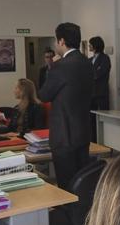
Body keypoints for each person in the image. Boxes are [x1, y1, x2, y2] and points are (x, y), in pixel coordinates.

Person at [38, 22, 92, 190]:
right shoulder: (87, 62)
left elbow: (44, 95)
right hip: (83, 132)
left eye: (56, 41)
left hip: (64, 135)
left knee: (66, 185)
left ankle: (68, 214)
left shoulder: (59, 66)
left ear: (61, 41)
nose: (56, 44)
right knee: (82, 181)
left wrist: (51, 69)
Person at [88, 36, 111, 142]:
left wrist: (91, 74)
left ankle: (104, 141)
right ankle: (93, 140)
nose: (89, 46)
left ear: (96, 45)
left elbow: (98, 74)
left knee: (103, 118)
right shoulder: (90, 59)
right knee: (91, 119)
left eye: (90, 44)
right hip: (91, 94)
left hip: (101, 93)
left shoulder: (105, 58)